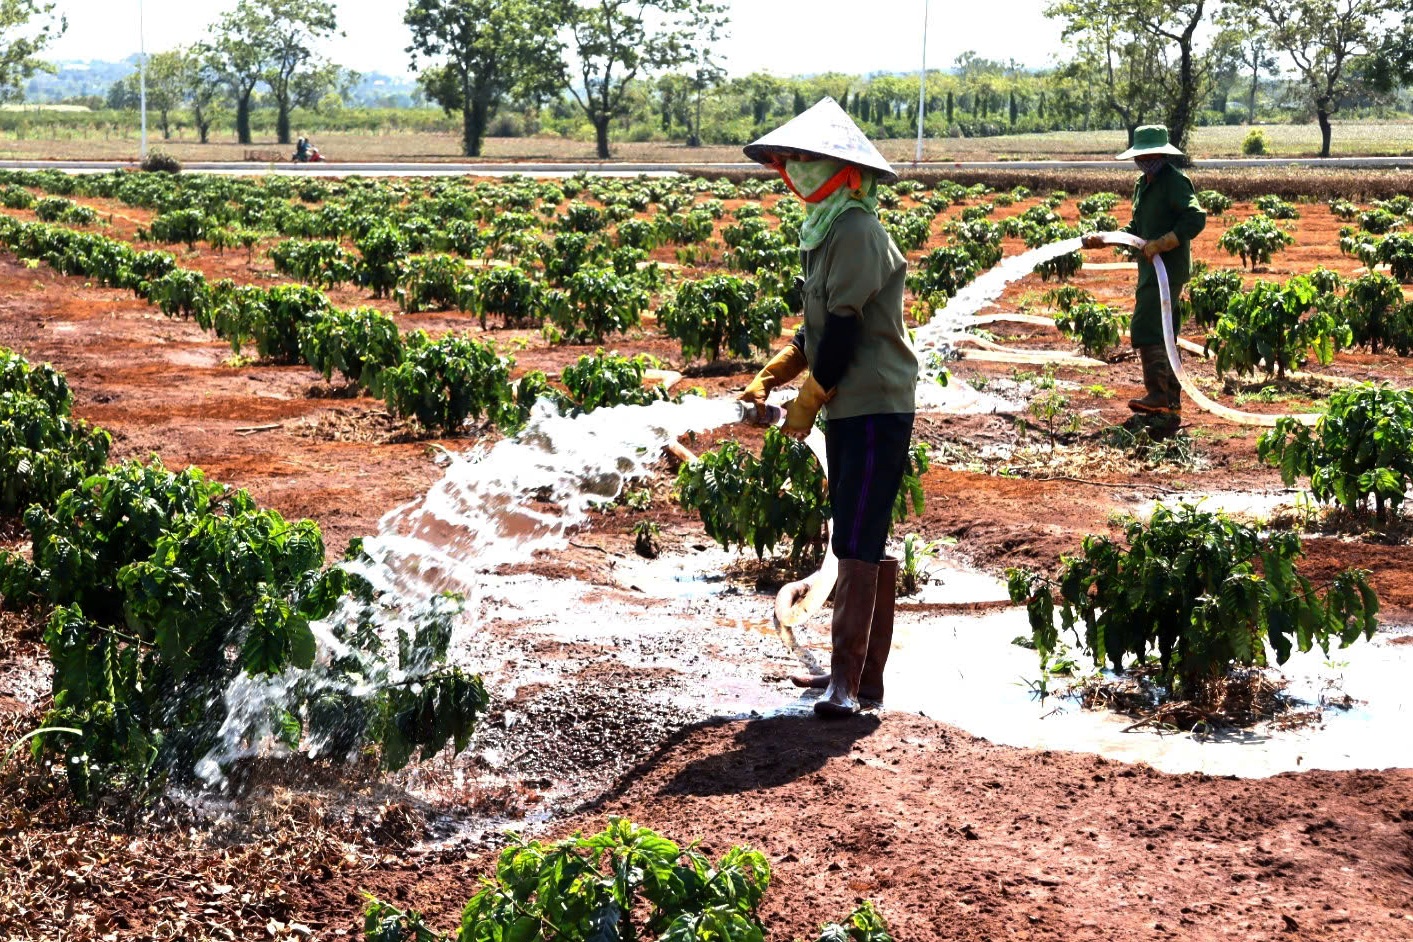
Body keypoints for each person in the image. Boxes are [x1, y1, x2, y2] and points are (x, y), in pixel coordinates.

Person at [737, 97, 920, 718]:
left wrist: (809, 398)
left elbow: (841, 335)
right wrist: (773, 374)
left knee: (861, 535)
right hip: (849, 405)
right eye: (792, 159)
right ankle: (859, 678)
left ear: (843, 170)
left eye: (806, 158)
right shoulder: (822, 232)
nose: (795, 169)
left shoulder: (857, 230)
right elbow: (813, 333)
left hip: (872, 403)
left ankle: (851, 685)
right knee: (854, 532)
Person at [1082, 125, 1206, 435]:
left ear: (1161, 154)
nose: (1145, 160)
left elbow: (1195, 218)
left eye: (1150, 155)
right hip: (1151, 268)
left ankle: (1158, 395)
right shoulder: (1142, 184)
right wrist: (1106, 238)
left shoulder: (1175, 182)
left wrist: (1164, 242)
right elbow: (1137, 227)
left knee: (1147, 326)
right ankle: (1170, 403)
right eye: (1141, 156)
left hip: (1168, 268)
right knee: (1166, 333)